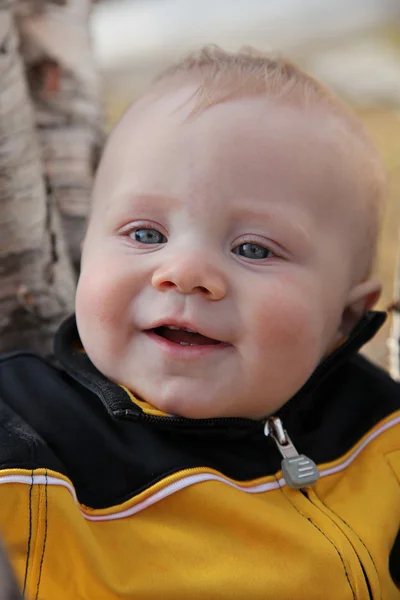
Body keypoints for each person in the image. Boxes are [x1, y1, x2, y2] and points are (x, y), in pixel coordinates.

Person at [0, 46, 399, 599]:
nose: (185, 273)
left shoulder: (380, 431)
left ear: (346, 316)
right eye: (145, 234)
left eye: (255, 248)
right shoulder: (31, 440)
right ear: (83, 251)